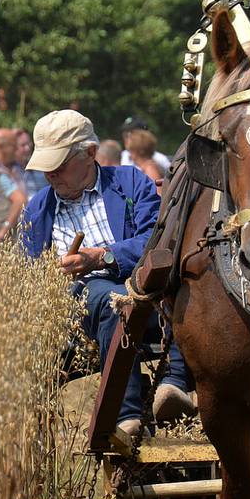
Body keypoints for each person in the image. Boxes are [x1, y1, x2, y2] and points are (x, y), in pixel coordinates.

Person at [20, 109, 195, 438]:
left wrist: (104, 256)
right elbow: (29, 271)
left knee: (184, 278)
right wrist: (53, 274)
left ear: (89, 153)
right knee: (107, 295)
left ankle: (174, 384)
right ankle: (126, 415)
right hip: (78, 303)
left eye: (57, 164)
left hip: (143, 285)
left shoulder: (130, 183)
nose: (50, 174)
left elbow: (154, 240)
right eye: (45, 166)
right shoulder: (38, 208)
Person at [14, 127, 46, 194]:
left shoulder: (41, 167)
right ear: (14, 148)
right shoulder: (11, 172)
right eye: (23, 145)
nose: (27, 148)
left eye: (28, 143)